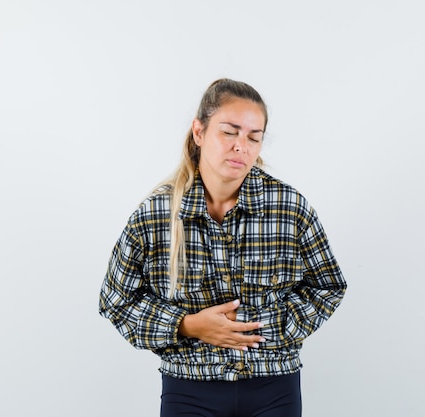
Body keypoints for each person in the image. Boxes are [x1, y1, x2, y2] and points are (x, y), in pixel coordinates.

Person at [99, 78, 347, 417]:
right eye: (229, 132)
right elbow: (116, 301)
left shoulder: (290, 208)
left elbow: (328, 286)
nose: (241, 146)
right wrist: (187, 325)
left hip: (275, 387)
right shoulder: (155, 215)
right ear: (199, 132)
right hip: (189, 389)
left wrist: (263, 327)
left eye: (253, 137)